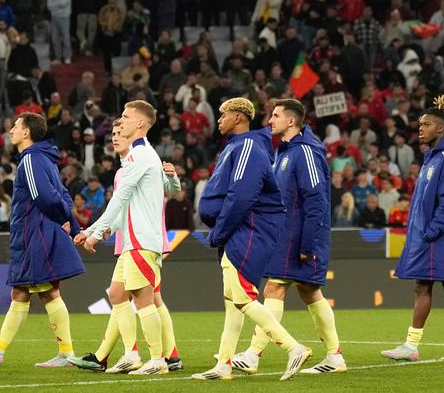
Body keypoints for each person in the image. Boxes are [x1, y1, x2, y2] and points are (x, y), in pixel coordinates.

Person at [192, 97, 312, 381]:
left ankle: (293, 347)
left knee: (242, 297)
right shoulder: (237, 146)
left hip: (246, 229)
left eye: (223, 114)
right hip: (239, 229)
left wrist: (220, 230)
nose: (219, 119)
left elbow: (241, 196)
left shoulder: (247, 145)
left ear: (238, 117)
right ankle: (224, 364)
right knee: (232, 300)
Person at [231, 99, 345, 375]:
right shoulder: (285, 152)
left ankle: (253, 354)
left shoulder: (305, 152)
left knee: (274, 289)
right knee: (309, 291)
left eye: (276, 115)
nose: (270, 120)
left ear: (291, 121)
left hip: (299, 237)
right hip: (288, 235)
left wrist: (309, 242)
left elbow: (317, 200)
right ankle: (335, 356)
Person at [70, 115, 186, 373]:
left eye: (120, 131)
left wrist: (94, 233)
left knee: (148, 298)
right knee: (118, 294)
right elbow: (125, 207)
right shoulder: (127, 167)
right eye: (113, 133)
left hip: (142, 239)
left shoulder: (140, 159)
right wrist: (99, 230)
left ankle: (159, 358)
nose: (115, 137)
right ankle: (130, 354)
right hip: (131, 239)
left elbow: (128, 200)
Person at [0, 112, 86, 368]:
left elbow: (45, 197)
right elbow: (63, 195)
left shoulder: (30, 159)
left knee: (47, 292)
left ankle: (66, 354)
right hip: (36, 232)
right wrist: (73, 226)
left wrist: (64, 220)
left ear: (26, 132)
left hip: (34, 233)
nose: (11, 130)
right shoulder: (45, 159)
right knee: (23, 291)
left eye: (15, 126)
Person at [382, 96, 444, 362]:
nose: (420, 129)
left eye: (426, 124)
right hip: (437, 236)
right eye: (419, 124)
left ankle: (412, 346)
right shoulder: (433, 158)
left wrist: (431, 231)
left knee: (428, 286)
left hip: (443, 237)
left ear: (440, 128)